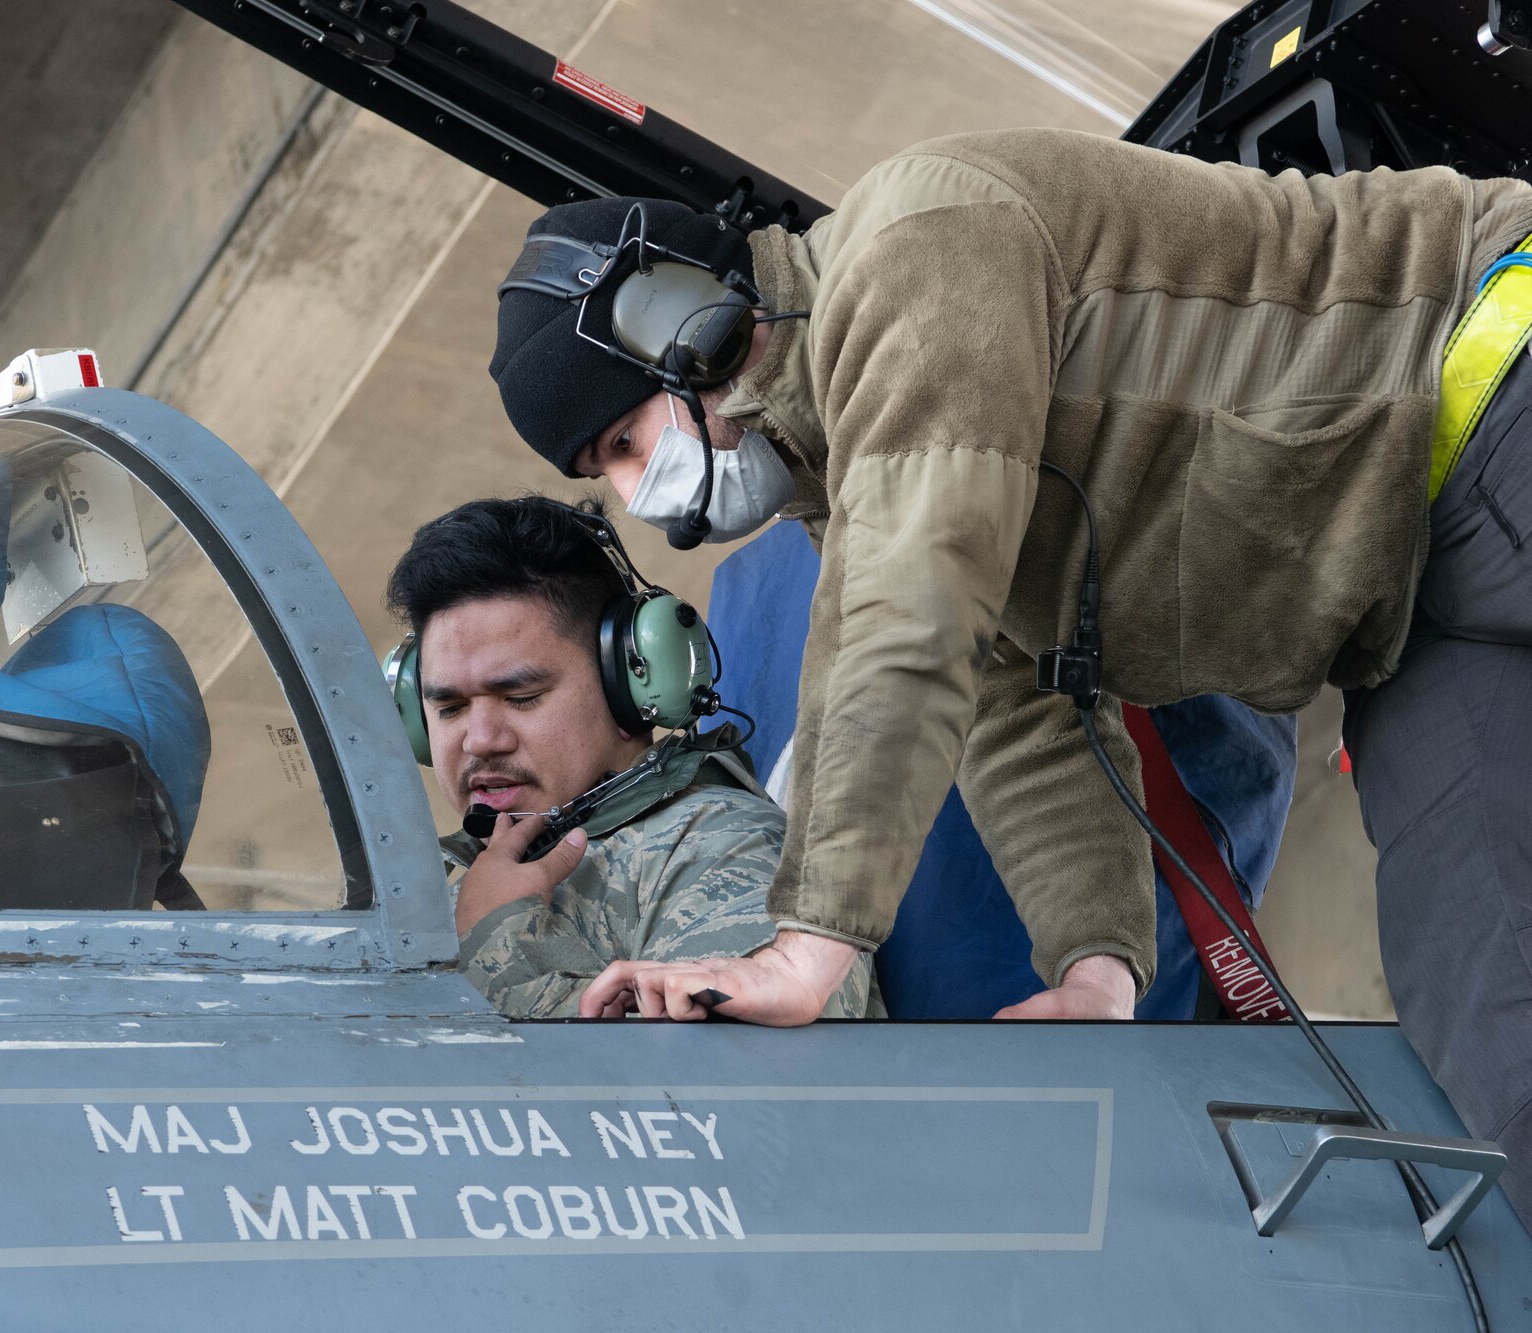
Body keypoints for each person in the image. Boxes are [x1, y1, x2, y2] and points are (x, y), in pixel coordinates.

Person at [485, 127, 1532, 1220]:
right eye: (600, 473)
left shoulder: (919, 243)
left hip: (1489, 390)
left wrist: (809, 949)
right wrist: (1097, 969)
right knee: (1494, 1031)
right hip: (1408, 611)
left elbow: (914, 618)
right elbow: (1012, 713)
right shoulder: (839, 490)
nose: (634, 489)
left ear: (684, 326)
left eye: (619, 440)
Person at [384, 496, 878, 1019]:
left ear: (630, 685)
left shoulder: (717, 847)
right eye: (450, 707)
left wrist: (498, 936)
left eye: (522, 697)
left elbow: (746, 1083)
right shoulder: (433, 888)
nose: (479, 740)